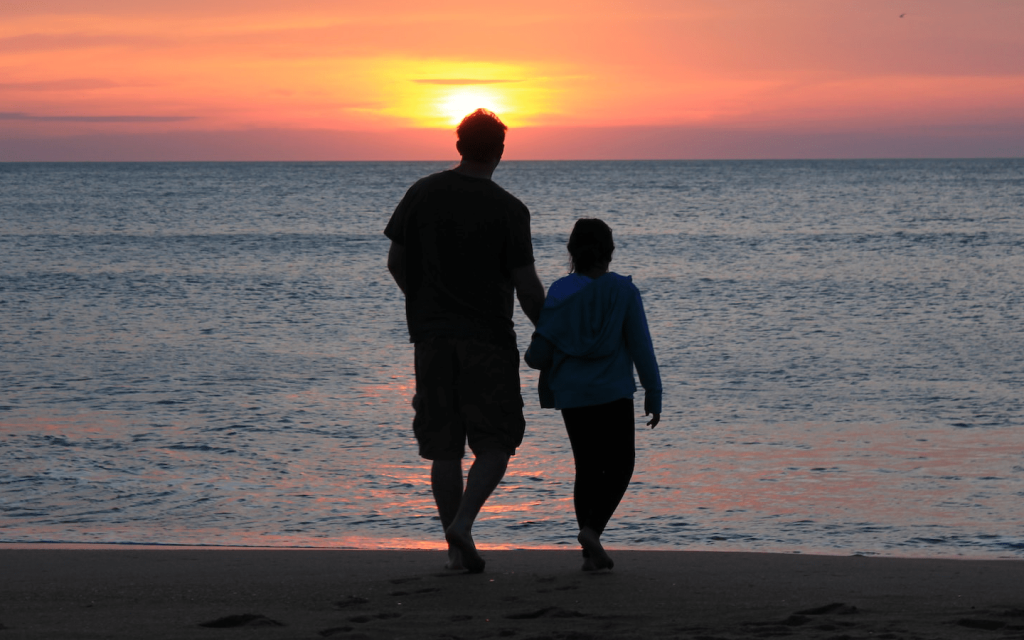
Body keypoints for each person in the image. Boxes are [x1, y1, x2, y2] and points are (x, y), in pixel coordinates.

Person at [384, 109, 546, 573]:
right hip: (488, 340)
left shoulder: (422, 192)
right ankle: (465, 524)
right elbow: (528, 287)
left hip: (431, 337)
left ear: (458, 146)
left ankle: (456, 551)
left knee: (445, 447)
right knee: (496, 443)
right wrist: (551, 333)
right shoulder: (509, 209)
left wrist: (424, 304)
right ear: (500, 150)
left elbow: (396, 261)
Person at [524, 218, 662, 571]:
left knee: (586, 467)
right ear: (609, 252)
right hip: (613, 392)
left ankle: (589, 553)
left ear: (572, 252)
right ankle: (592, 532)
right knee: (621, 464)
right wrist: (653, 391)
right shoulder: (623, 291)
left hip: (572, 394)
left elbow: (537, 356)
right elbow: (641, 345)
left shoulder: (559, 292)